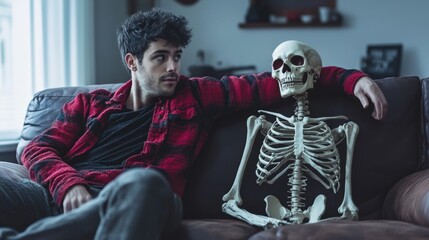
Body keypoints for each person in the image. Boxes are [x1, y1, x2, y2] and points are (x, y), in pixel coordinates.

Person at [0, 8, 387, 240]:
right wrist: (69, 184)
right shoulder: (89, 103)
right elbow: (35, 148)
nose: (173, 67)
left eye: (177, 56)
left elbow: (276, 82)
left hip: (144, 200)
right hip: (64, 199)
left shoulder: (196, 94)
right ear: (132, 63)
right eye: (160, 58)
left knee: (145, 181)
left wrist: (351, 78)